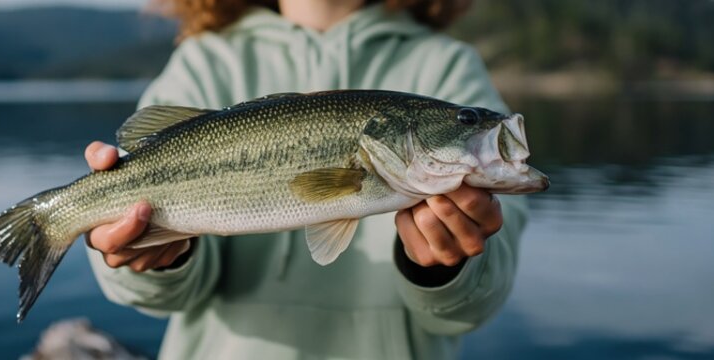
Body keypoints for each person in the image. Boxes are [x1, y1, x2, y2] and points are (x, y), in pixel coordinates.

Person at [82, 0, 529, 358]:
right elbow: (154, 296)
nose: (473, 125)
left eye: (467, 119)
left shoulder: (447, 63)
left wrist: (446, 265)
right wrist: (159, 255)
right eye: (467, 120)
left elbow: (477, 302)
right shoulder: (202, 63)